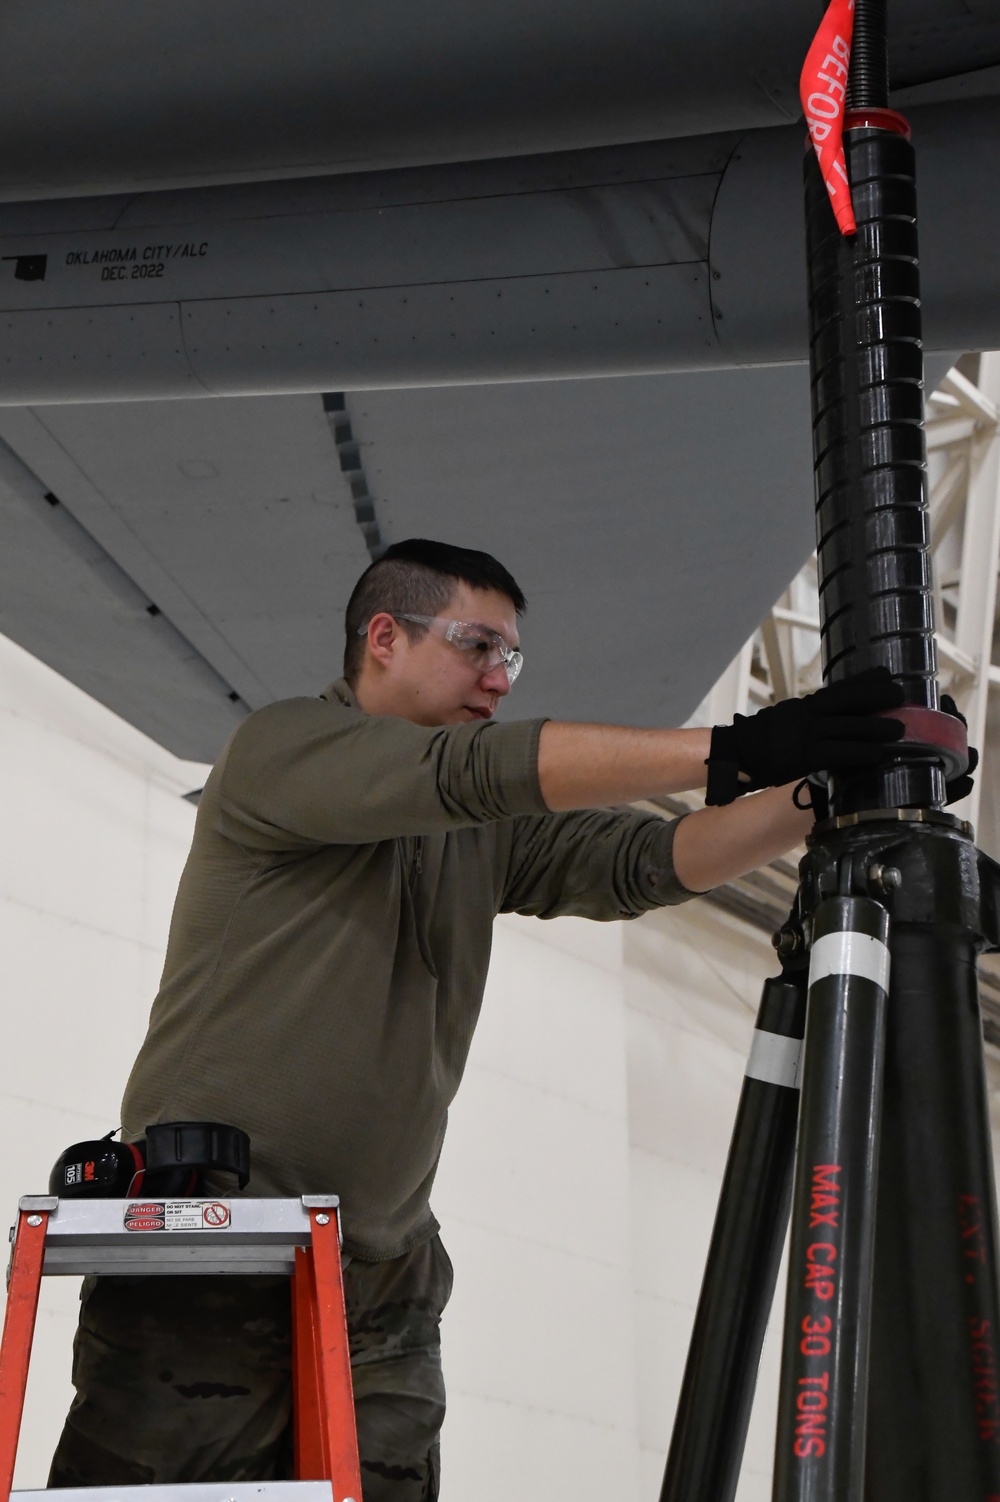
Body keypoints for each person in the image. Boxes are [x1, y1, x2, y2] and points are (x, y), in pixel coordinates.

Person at [49, 538, 906, 1500]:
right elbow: (470, 773)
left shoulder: (475, 830)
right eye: (477, 647)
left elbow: (651, 861)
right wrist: (734, 748)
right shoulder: (280, 752)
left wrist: (822, 789)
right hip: (219, 1241)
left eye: (512, 659)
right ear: (384, 636)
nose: (498, 678)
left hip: (383, 1265)